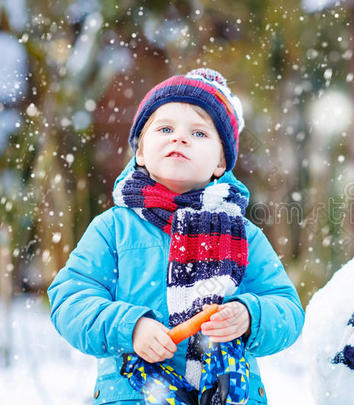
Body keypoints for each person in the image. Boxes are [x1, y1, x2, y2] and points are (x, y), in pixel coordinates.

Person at [47, 68, 305, 405]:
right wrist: (130, 327)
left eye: (198, 133)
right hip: (134, 394)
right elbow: (70, 299)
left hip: (227, 394)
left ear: (220, 163)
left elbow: (288, 309)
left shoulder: (243, 235)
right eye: (165, 128)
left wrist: (250, 314)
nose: (179, 138)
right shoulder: (113, 229)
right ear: (140, 152)